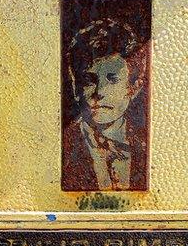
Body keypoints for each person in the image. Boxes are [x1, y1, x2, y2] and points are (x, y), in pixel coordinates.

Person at [62, 18, 149, 191]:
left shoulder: (144, 146)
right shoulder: (65, 148)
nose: (99, 92)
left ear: (134, 86)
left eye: (113, 79)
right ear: (75, 86)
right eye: (88, 80)